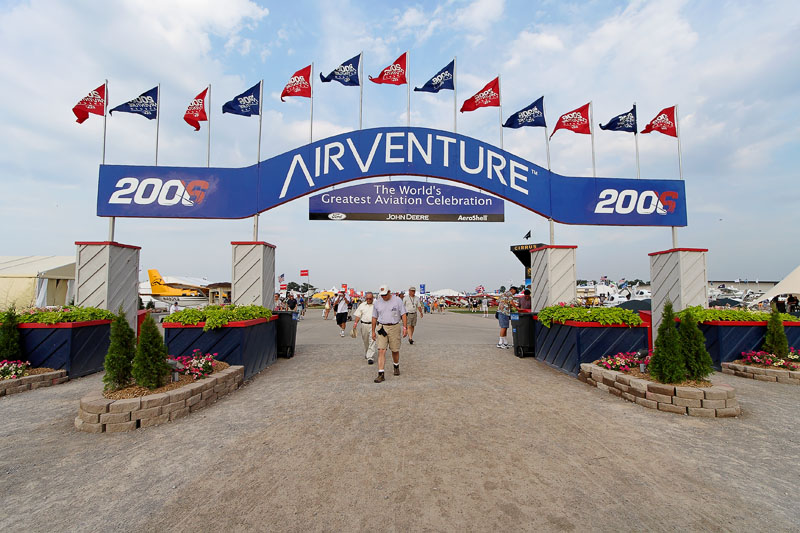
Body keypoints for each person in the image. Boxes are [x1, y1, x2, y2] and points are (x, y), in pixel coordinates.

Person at [371, 285, 408, 383]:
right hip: (382, 327)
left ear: (389, 292)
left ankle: (396, 365)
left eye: (385, 295)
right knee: (381, 350)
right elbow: (374, 317)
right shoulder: (377, 302)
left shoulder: (397, 300)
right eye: (382, 295)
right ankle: (381, 373)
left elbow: (403, 314)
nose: (384, 297)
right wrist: (373, 331)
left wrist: (405, 327)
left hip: (394, 327)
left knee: (395, 350)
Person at [352, 292, 377, 364]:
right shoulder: (362, 305)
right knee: (366, 341)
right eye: (367, 298)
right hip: (364, 325)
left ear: (373, 298)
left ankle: (370, 357)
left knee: (372, 340)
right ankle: (367, 352)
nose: (368, 300)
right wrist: (355, 324)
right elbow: (358, 315)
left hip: (373, 325)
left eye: (370, 298)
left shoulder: (376, 305)